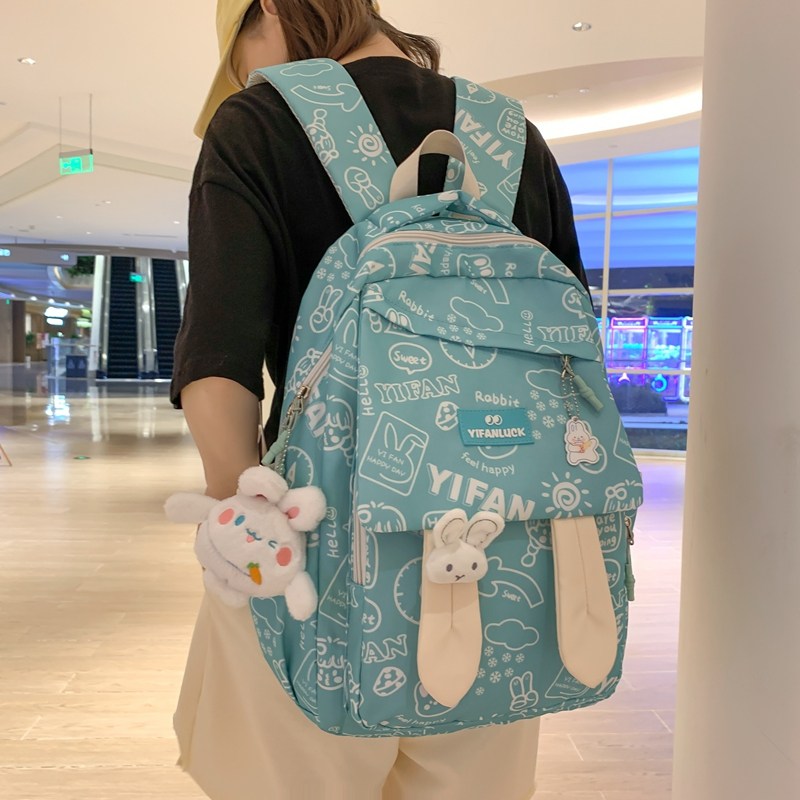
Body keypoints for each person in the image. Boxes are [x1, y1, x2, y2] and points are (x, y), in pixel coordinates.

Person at [171, 1, 587, 798]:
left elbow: (218, 352)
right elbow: (570, 349)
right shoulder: (514, 137)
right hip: (504, 549)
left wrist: (239, 520)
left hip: (309, 544)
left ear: (267, 11)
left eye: (240, 57)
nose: (248, 78)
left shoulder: (257, 121)